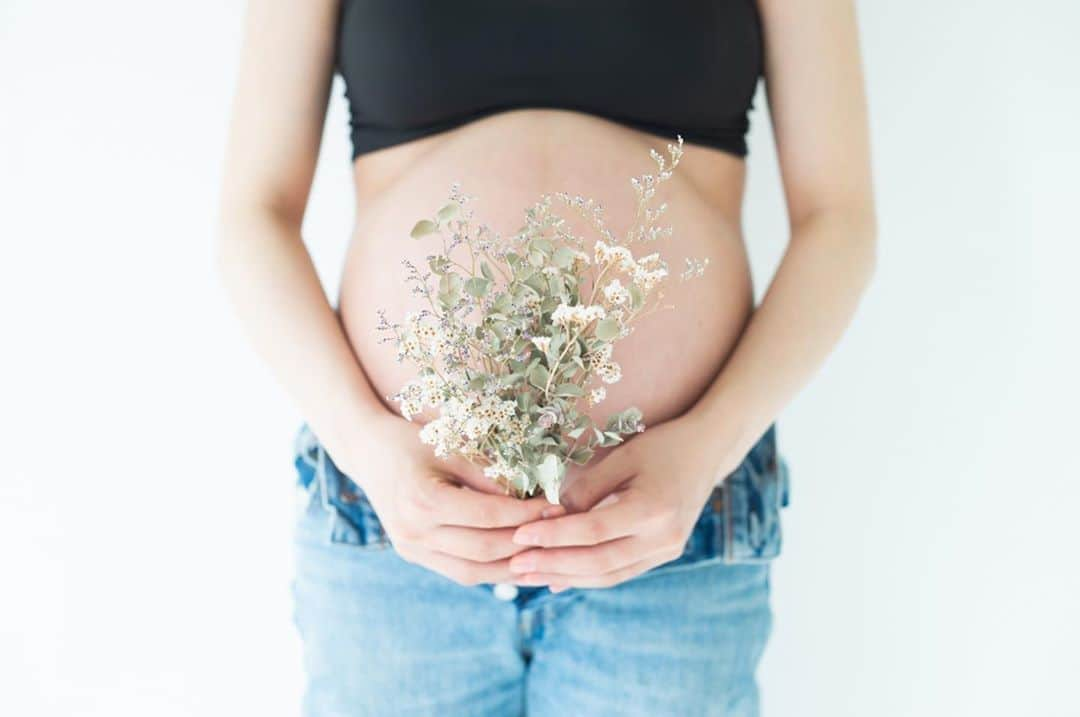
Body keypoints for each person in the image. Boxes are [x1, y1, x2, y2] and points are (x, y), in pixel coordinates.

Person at [216, 1, 876, 714]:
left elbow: (838, 221)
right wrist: (369, 450)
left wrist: (705, 453)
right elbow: (253, 216)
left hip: (672, 538)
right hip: (395, 530)